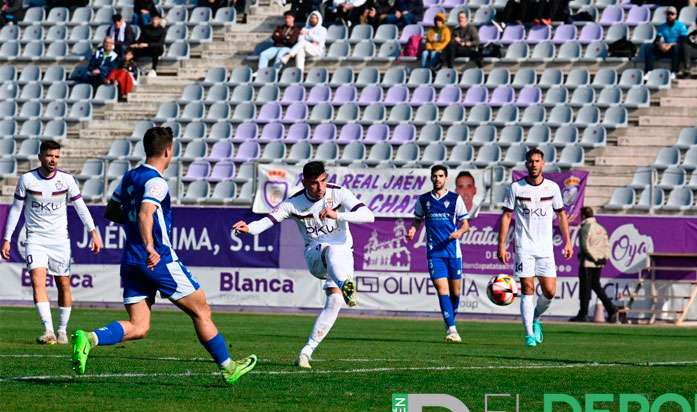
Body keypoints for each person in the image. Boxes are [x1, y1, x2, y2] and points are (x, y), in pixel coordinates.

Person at [72, 127, 258, 384]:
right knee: (202, 311)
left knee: (139, 326)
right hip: (158, 259)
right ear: (168, 151)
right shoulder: (156, 182)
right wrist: (149, 244)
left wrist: (136, 232)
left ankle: (90, 338)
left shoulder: (129, 177)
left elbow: (113, 211)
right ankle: (228, 367)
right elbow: (145, 213)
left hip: (131, 261)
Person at [232, 161, 375, 370]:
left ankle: (305, 353)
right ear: (304, 182)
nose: (320, 188)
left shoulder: (339, 193)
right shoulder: (294, 203)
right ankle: (347, 285)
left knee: (335, 303)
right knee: (330, 249)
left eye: (322, 181)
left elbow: (368, 216)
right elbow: (269, 220)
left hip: (343, 257)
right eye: (314, 183)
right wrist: (250, 228)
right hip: (316, 256)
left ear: (326, 177)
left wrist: (338, 214)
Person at [1, 141, 103, 345]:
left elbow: (81, 206)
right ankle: (48, 330)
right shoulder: (27, 180)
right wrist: (7, 238)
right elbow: (16, 209)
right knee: (38, 281)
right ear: (40, 157)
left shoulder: (66, 180)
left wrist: (93, 231)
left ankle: (62, 330)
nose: (53, 160)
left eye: (56, 156)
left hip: (60, 241)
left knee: (63, 283)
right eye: (49, 156)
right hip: (35, 240)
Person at [498, 148, 573, 347]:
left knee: (549, 291)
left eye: (537, 161)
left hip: (545, 248)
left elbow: (561, 215)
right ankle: (529, 334)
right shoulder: (516, 188)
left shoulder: (552, 188)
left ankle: (535, 317)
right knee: (528, 289)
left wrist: (567, 241)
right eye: (530, 161)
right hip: (524, 247)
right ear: (526, 164)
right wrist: (502, 245)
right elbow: (506, 216)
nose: (534, 164)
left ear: (543, 163)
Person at [406, 165, 470, 343]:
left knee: (455, 293)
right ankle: (452, 329)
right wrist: (412, 229)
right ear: (431, 178)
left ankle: (451, 320)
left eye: (441, 176)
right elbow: (417, 220)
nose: (437, 179)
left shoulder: (455, 199)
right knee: (442, 289)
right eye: (434, 176)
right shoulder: (424, 200)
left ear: (446, 178)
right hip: (435, 252)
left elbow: (466, 224)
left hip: (453, 252)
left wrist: (459, 233)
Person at [570, 206, 618, 323]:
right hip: (599, 263)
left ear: (583, 216)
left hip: (588, 263)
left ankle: (583, 314)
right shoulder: (601, 228)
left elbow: (584, 247)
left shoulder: (585, 227)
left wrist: (594, 258)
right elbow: (607, 245)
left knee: (584, 289)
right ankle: (611, 309)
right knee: (596, 286)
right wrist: (604, 258)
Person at [643, 6, 687, 76]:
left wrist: (670, 45)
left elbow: (683, 41)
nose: (669, 16)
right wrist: (660, 45)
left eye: (672, 14)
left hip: (675, 48)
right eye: (668, 14)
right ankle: (649, 71)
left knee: (676, 48)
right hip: (665, 48)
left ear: (676, 15)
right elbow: (656, 40)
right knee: (648, 47)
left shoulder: (681, 26)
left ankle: (674, 71)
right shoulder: (662, 27)